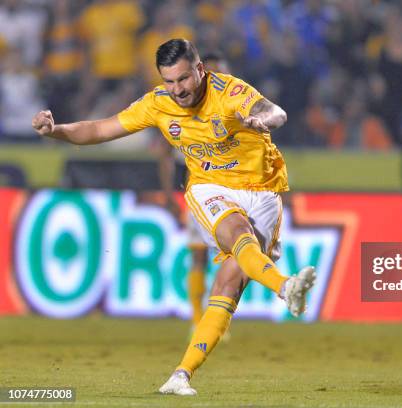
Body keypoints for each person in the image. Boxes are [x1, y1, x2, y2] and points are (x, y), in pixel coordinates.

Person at [32, 38, 316, 396]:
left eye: (183, 79)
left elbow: (277, 112)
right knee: (237, 234)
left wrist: (261, 119)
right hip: (209, 186)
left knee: (230, 282)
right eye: (169, 81)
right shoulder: (158, 104)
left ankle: (181, 375)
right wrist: (56, 131)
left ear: (200, 70)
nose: (177, 89)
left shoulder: (230, 91)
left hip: (263, 188)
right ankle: (285, 287)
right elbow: (101, 129)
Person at [157, 52, 231, 329]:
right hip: (200, 194)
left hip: (237, 193)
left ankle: (219, 319)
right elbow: (164, 152)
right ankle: (198, 320)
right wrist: (167, 194)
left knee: (235, 259)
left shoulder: (237, 107)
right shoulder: (181, 111)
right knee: (199, 255)